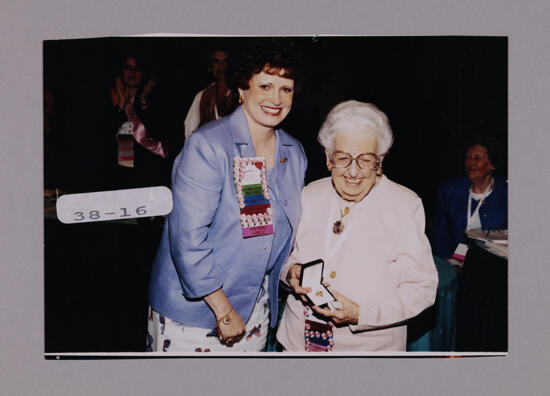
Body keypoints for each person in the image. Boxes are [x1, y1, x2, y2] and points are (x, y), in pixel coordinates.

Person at [147, 40, 307, 352]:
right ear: (242, 90)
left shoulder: (295, 152)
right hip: (197, 311)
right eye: (265, 85)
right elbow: (187, 239)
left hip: (255, 308)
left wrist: (291, 269)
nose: (276, 98)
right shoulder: (208, 146)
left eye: (285, 88)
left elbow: (283, 232)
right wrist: (222, 309)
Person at [276, 100, 438, 352]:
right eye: (343, 158)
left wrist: (361, 314)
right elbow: (285, 256)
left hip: (367, 352)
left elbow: (422, 289)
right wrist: (291, 272)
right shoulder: (310, 194)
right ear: (329, 158)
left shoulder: (404, 205)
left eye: (365, 159)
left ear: (380, 161)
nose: (353, 172)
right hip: (298, 342)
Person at [431, 136, 507, 266]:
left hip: (494, 265)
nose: (470, 163)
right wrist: (456, 258)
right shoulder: (449, 190)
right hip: (454, 261)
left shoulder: (506, 193)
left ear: (492, 164)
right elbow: (439, 233)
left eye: (477, 158)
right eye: (467, 158)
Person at [107, 54, 169, 189]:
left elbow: (158, 134)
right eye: (128, 68)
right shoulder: (111, 97)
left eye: (137, 68)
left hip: (149, 173)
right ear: (121, 71)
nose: (132, 73)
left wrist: (144, 103)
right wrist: (120, 106)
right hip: (118, 176)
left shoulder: (156, 96)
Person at [184, 48, 237, 139]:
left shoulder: (241, 93)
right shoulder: (202, 96)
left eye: (225, 61)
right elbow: (190, 131)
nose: (221, 66)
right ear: (210, 67)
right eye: (216, 61)